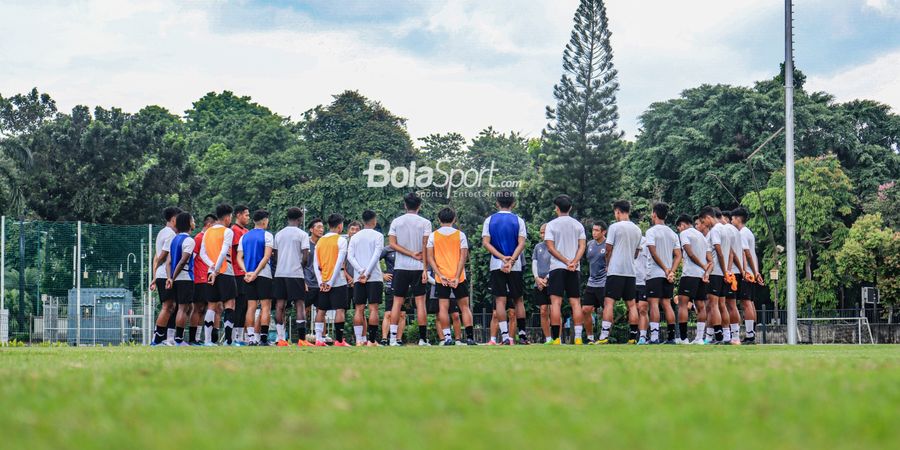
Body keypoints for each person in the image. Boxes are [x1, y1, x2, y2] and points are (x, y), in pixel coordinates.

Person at [481, 190, 529, 345]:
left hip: (496, 264)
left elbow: (486, 243)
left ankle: (506, 336)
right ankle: (522, 336)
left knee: (500, 301)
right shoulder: (519, 220)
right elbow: (521, 243)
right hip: (515, 265)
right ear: (513, 203)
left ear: (497, 203)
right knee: (518, 300)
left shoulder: (490, 220)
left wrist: (502, 258)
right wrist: (512, 260)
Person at [387, 193, 432, 346]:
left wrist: (409, 253)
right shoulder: (425, 222)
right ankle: (422, 339)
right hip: (419, 267)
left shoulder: (396, 222)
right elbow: (426, 246)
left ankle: (393, 339)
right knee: (420, 303)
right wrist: (425, 268)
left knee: (397, 303)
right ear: (419, 206)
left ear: (405, 205)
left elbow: (392, 244)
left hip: (401, 266)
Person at [427, 207, 475, 346]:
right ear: (454, 219)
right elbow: (463, 257)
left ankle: (447, 338)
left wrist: (440, 275)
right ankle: (470, 338)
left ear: (439, 219)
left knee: (443, 308)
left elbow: (430, 258)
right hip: (458, 277)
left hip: (441, 278)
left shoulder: (433, 235)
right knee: (464, 307)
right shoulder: (460, 235)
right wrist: (456, 276)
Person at [597, 200, 642, 345]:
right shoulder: (637, 229)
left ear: (617, 211)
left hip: (616, 270)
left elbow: (608, 249)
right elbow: (636, 253)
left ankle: (604, 336)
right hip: (630, 272)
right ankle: (633, 337)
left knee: (609, 303)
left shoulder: (614, 227)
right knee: (632, 305)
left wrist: (608, 264)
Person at [544, 194, 587, 345]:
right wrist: (574, 262)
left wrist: (565, 261)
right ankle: (578, 338)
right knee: (575, 302)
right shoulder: (578, 225)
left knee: (556, 303)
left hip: (557, 267)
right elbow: (582, 246)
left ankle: (556, 339)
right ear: (570, 208)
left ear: (556, 208)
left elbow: (550, 247)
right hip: (574, 268)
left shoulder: (551, 225)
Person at [272, 207, 310, 347]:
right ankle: (302, 339)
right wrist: (300, 266)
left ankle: (281, 338)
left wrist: (282, 264)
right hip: (295, 273)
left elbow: (274, 256)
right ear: (300, 219)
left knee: (280, 305)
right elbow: (305, 256)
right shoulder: (302, 234)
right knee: (299, 304)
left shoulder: (279, 234)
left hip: (280, 273)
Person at [200, 204, 238, 346]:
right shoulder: (227, 232)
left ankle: (208, 341)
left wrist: (211, 266)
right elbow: (223, 252)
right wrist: (216, 269)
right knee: (230, 304)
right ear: (227, 217)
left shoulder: (207, 232)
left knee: (211, 305)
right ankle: (229, 340)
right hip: (225, 271)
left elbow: (202, 253)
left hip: (211, 271)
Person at [644, 202, 682, 345]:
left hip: (654, 272)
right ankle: (672, 337)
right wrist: (671, 270)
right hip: (667, 275)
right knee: (667, 303)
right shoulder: (672, 233)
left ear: (654, 214)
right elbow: (678, 255)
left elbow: (653, 252)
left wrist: (666, 269)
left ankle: (654, 337)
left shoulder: (651, 232)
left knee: (653, 304)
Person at [237, 210, 274, 346]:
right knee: (265, 306)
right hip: (263, 274)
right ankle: (263, 338)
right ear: (264, 221)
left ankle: (251, 338)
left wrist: (247, 272)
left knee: (251, 306)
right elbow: (266, 256)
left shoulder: (244, 237)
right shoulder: (268, 235)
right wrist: (256, 272)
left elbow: (239, 257)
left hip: (248, 275)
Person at [347, 210, 384, 346]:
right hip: (374, 276)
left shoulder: (354, 237)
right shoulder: (378, 236)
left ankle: (358, 340)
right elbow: (376, 255)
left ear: (363, 221)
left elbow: (350, 257)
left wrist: (360, 271)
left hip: (358, 277)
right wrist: (367, 272)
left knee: (359, 308)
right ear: (374, 221)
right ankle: (372, 341)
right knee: (373, 308)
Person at [313, 213, 350, 347]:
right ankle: (339, 340)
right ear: (340, 226)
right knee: (340, 309)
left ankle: (318, 339)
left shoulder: (320, 241)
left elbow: (315, 265)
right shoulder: (341, 240)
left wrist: (321, 282)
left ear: (328, 225)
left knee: (321, 310)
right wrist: (330, 282)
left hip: (322, 280)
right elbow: (339, 263)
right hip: (338, 280)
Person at [149, 206, 181, 346]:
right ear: (174, 219)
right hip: (165, 274)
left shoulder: (163, 232)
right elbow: (162, 255)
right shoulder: (170, 234)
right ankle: (157, 339)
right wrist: (157, 273)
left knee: (171, 306)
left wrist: (155, 275)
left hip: (163, 274)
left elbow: (156, 257)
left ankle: (168, 338)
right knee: (167, 306)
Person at [164, 212, 196, 346]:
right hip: (184, 278)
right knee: (182, 308)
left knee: (188, 307)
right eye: (193, 220)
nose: (194, 222)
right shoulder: (189, 240)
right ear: (188, 223)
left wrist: (169, 278)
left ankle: (175, 337)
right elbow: (183, 261)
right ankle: (178, 339)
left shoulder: (174, 239)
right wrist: (172, 277)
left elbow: (169, 262)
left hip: (176, 279)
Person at [732, 207, 763, 344]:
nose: (731, 221)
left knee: (745, 303)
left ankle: (750, 335)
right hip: (751, 272)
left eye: (732, 218)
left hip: (747, 273)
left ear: (738, 218)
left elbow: (746, 253)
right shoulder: (748, 232)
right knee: (750, 303)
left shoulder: (742, 233)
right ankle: (752, 333)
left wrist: (749, 271)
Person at [675, 214, 707, 344]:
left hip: (689, 273)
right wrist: (704, 268)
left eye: (679, 228)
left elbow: (689, 252)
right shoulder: (701, 236)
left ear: (682, 225)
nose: (679, 231)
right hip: (701, 275)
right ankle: (699, 338)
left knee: (682, 304)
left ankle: (683, 338)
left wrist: (700, 264)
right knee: (700, 305)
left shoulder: (684, 234)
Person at [700, 206, 727, 344]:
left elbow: (719, 252)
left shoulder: (715, 230)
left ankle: (719, 336)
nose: (705, 225)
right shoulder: (726, 228)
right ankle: (724, 336)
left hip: (716, 272)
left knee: (713, 305)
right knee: (721, 305)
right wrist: (727, 271)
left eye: (704, 222)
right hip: (723, 273)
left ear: (709, 217)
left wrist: (722, 269)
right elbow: (731, 252)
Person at [189, 214, 216, 345]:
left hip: (208, 277)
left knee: (205, 308)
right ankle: (192, 338)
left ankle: (198, 338)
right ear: (209, 225)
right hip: (199, 278)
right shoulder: (199, 238)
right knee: (197, 308)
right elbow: (191, 259)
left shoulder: (208, 239)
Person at [299, 218, 324, 345]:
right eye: (318, 227)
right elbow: (300, 264)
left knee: (321, 310)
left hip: (321, 283)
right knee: (304, 310)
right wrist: (303, 281)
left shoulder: (323, 244)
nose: (321, 229)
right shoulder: (305, 245)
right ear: (311, 229)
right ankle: (302, 338)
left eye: (322, 227)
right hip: (308, 282)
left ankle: (320, 338)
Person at [582, 221, 608, 344]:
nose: (594, 232)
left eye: (597, 230)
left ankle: (604, 336)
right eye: (593, 230)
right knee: (585, 310)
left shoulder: (608, 245)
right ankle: (590, 337)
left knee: (606, 310)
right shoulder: (589, 244)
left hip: (604, 282)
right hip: (591, 282)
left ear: (604, 232)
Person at [721, 210, 744, 345]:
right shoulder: (736, 231)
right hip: (735, 271)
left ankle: (731, 336)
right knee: (731, 304)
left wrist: (728, 270)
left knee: (728, 304)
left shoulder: (727, 229)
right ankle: (734, 335)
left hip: (731, 272)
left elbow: (732, 253)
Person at [230, 205, 250, 345]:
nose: (247, 218)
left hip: (246, 272)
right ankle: (234, 336)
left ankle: (241, 336)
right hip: (237, 272)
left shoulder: (246, 231)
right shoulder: (235, 230)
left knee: (245, 306)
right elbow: (239, 252)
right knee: (238, 305)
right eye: (246, 215)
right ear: (238, 215)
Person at [379, 247, 406, 345]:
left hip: (404, 282)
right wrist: (382, 274)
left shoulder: (405, 248)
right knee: (388, 313)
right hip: (390, 284)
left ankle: (398, 339)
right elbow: (374, 261)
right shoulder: (387, 249)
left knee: (402, 314)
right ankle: (384, 339)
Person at [531, 224, 552, 344]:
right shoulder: (537, 247)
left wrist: (547, 278)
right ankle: (548, 338)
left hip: (552, 281)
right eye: (541, 232)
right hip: (539, 283)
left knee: (555, 309)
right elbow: (534, 263)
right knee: (543, 310)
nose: (542, 235)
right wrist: (537, 278)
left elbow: (555, 263)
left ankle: (556, 338)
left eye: (544, 232)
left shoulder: (555, 246)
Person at [634, 234, 650, 344]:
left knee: (643, 309)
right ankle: (635, 335)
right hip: (630, 281)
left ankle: (643, 336)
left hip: (644, 281)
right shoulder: (627, 243)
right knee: (633, 310)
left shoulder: (647, 243)